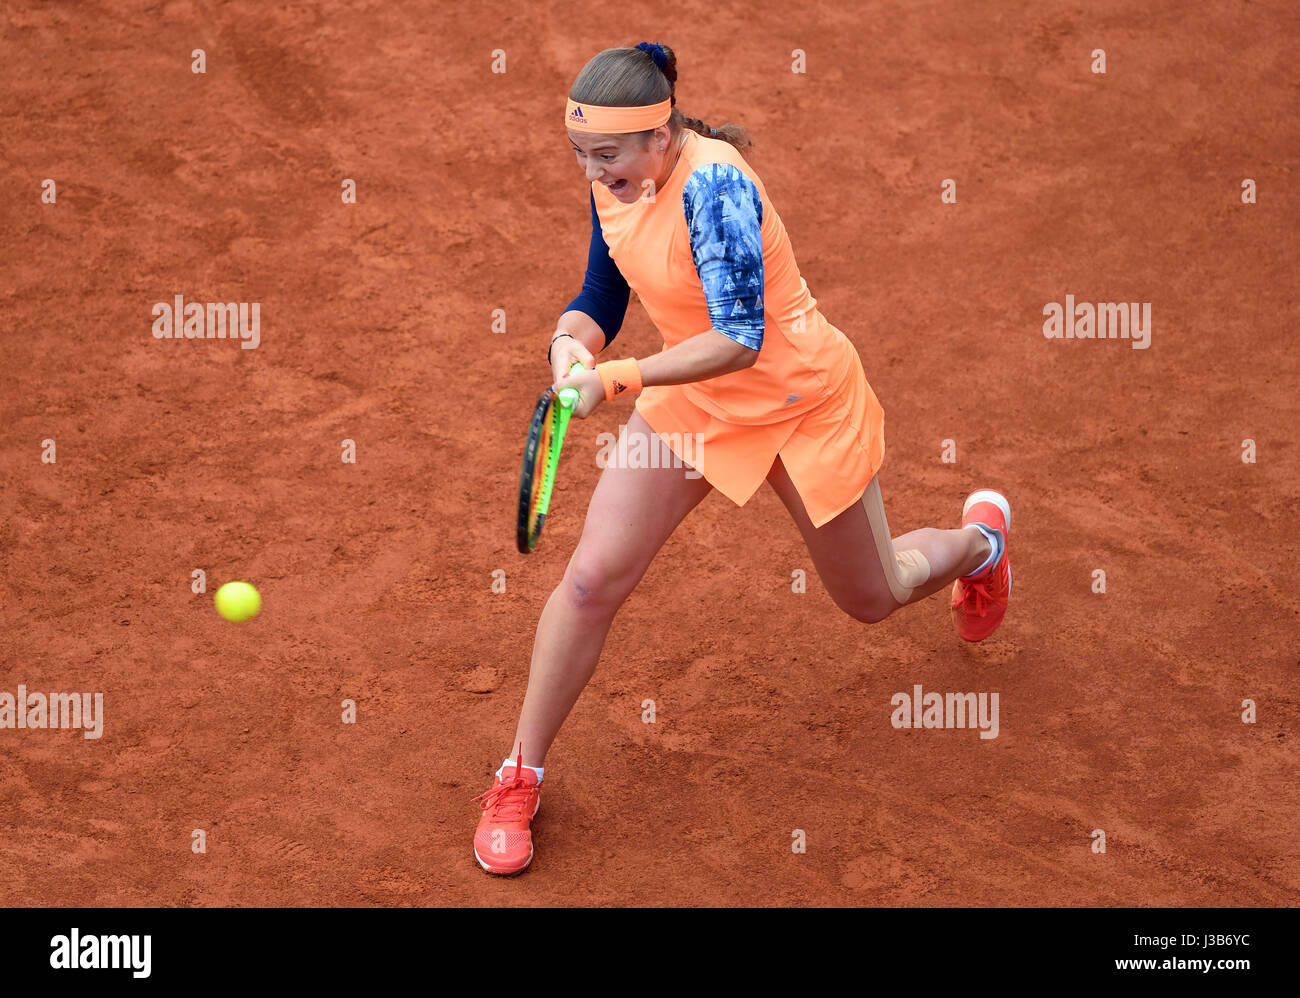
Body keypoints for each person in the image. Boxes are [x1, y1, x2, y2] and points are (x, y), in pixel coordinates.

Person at [472, 41, 1012, 876]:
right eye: (580, 155)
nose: (592, 171)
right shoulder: (614, 179)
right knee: (589, 581)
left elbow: (737, 339)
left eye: (606, 155)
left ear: (660, 135)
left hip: (799, 403)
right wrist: (567, 348)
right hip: (698, 400)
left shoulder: (715, 188)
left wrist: (611, 382)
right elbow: (601, 295)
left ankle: (983, 544)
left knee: (878, 595)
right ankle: (519, 773)